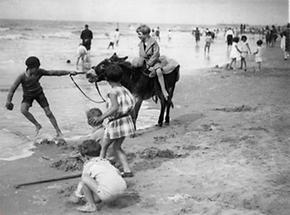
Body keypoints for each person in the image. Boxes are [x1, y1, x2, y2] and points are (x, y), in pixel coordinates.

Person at [5, 56, 77, 137]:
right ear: (30, 68)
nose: (38, 69)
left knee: (48, 113)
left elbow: (54, 72)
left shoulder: (39, 72)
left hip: (39, 94)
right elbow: (12, 89)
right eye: (36, 68)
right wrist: (8, 101)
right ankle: (37, 125)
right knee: (23, 110)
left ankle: (58, 131)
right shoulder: (22, 77)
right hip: (28, 96)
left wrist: (69, 72)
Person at [88, 64, 135, 178]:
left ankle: (100, 170)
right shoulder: (125, 90)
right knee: (116, 147)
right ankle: (127, 170)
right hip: (126, 121)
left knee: (104, 146)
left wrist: (101, 117)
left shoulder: (112, 92)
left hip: (116, 123)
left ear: (107, 79)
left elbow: (114, 107)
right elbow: (132, 105)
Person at [71, 140, 127, 213]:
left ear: (85, 156)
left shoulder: (88, 165)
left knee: (85, 178)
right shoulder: (105, 161)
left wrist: (77, 194)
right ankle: (100, 198)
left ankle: (91, 206)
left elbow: (82, 182)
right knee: (101, 180)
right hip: (122, 190)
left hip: (108, 195)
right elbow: (118, 172)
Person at [136, 24, 169, 100]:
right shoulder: (141, 43)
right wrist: (140, 61)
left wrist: (149, 63)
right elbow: (140, 54)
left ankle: (163, 90)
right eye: (138, 34)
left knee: (158, 71)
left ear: (146, 34)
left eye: (139, 34)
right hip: (144, 61)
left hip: (154, 61)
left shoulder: (153, 42)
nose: (138, 36)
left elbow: (156, 54)